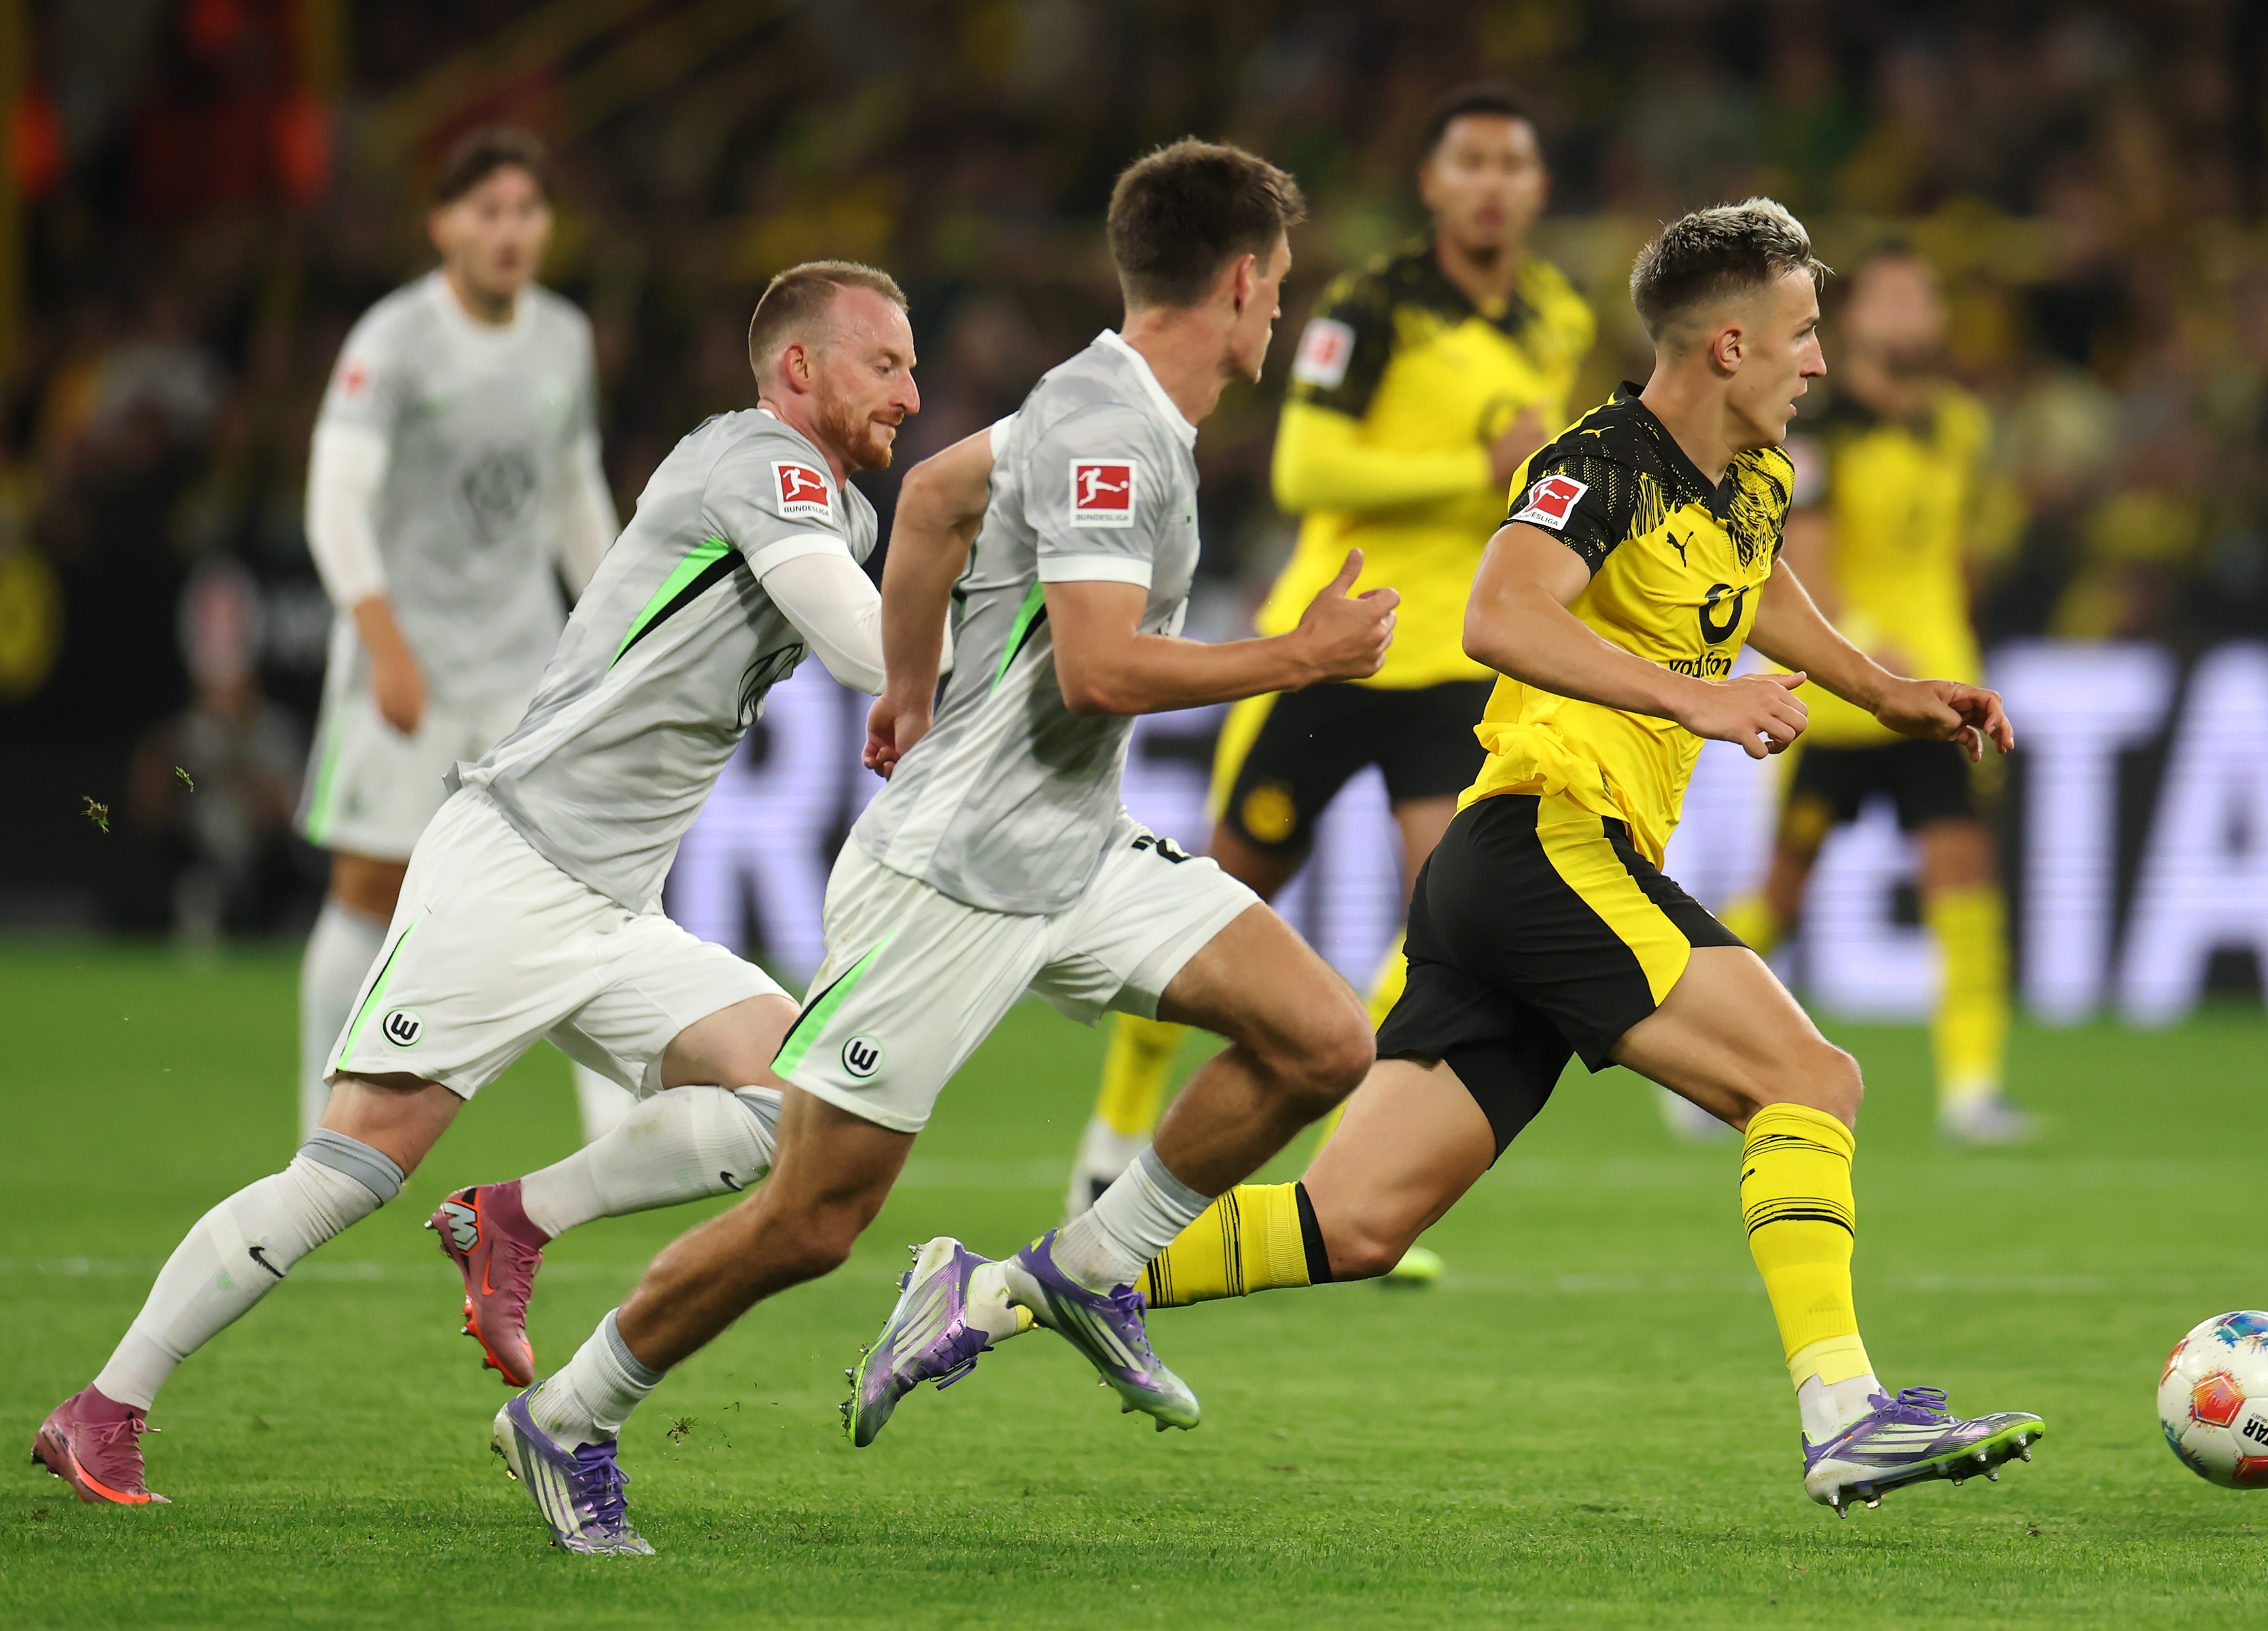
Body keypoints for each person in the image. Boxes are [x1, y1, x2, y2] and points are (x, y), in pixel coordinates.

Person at [865, 199, 2045, 1519]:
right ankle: (1845, 1415)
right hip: (1546, 841)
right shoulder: (1600, 463)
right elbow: (1499, 612)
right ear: (1728, 345)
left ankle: (992, 1291)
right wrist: (1693, 698)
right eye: (1803, 332)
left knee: (1355, 1223)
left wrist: (1884, 691)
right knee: (1810, 1082)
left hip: (1517, 880)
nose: (1819, 359)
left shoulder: (1755, 478)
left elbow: (1758, 583)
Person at [495, 139, 1396, 1556]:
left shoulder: (1106, 405)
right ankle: (568, 1414)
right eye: (1277, 281)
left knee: (1322, 1039)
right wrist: (1302, 655)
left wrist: (908, 685)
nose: (1281, 306)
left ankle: (1087, 1266)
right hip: (953, 877)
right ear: (1238, 281)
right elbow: (1098, 673)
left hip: (1073, 847)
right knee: (810, 1221)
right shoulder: (1111, 431)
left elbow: (929, 500)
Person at [30, 260, 919, 1512]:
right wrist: (994, 667)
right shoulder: (759, 461)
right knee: (350, 1170)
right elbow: (862, 644)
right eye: (887, 364)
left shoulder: (843, 512)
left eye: (913, 367)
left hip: (614, 902)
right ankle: (102, 1409)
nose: (911, 392)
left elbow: (864, 652)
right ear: (800, 367)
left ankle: (515, 1218)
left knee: (796, 1104)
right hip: (516, 867)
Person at [1072, 85, 1594, 1234]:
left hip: (1456, 663)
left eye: (1513, 163)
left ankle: (1346, 1177)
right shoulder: (1370, 308)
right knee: (1221, 894)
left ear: (1539, 187)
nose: (1493, 183)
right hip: (1338, 648)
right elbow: (1304, 471)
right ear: (1433, 183)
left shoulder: (1555, 313)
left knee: (1446, 927)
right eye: (1471, 162)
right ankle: (1111, 1139)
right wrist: (1474, 470)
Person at [294, 126, 635, 1146]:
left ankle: (620, 1136)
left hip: (523, 665)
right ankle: (320, 1138)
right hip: (406, 664)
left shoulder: (563, 337)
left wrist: (620, 632)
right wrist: (384, 643)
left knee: (572, 886)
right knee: (372, 890)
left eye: (527, 211)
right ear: (443, 223)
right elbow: (335, 501)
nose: (509, 232)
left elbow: (573, 496)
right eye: (488, 212)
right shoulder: (394, 340)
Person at [1695, 243, 2026, 1147]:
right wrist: (1876, 651)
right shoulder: (1816, 433)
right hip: (1847, 697)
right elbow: (1807, 568)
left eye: (1923, 296)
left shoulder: (1960, 425)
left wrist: (1947, 644)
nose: (1909, 313)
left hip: (1939, 694)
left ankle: (1972, 1089)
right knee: (1781, 894)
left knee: (1964, 883)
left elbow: (1958, 559)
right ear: (1857, 319)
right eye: (1891, 298)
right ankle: (1694, 1055)